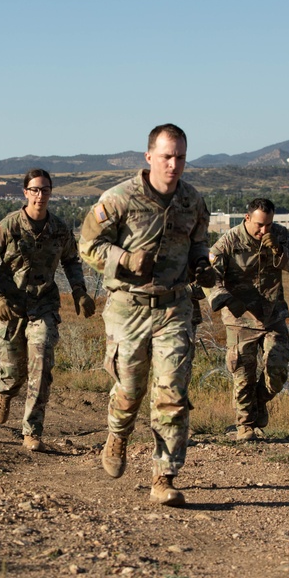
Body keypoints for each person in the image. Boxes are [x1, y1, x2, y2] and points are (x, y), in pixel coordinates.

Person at [79, 124, 214, 507]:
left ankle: (163, 476)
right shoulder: (119, 199)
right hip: (129, 309)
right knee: (129, 391)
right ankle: (118, 435)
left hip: (174, 307)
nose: (174, 164)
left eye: (181, 157)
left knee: (171, 393)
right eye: (167, 156)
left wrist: (203, 265)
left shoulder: (192, 201)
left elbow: (199, 242)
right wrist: (124, 258)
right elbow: (88, 244)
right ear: (149, 156)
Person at [0, 168, 94, 452]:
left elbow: (72, 261)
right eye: (35, 190)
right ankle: (5, 393)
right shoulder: (8, 226)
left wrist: (79, 292)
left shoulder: (60, 229)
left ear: (51, 193)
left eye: (46, 190)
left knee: (41, 367)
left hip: (44, 305)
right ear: (26, 193)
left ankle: (32, 430)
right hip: (9, 308)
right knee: (14, 372)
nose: (41, 195)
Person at [204, 197, 289, 441]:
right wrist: (225, 299)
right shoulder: (229, 241)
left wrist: (279, 251)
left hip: (272, 315)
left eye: (268, 225)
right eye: (259, 225)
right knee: (243, 375)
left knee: (278, 370)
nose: (264, 230)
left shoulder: (280, 236)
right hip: (240, 319)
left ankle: (259, 402)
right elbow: (210, 276)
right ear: (247, 218)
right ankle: (245, 425)